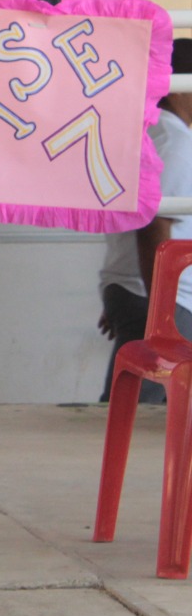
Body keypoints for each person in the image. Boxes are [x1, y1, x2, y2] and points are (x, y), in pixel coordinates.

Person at [99, 38, 192, 403]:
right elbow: (154, 227)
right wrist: (161, 311)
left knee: (134, 402)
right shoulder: (175, 141)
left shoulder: (147, 133)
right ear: (179, 87)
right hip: (164, 297)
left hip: (135, 288)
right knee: (144, 409)